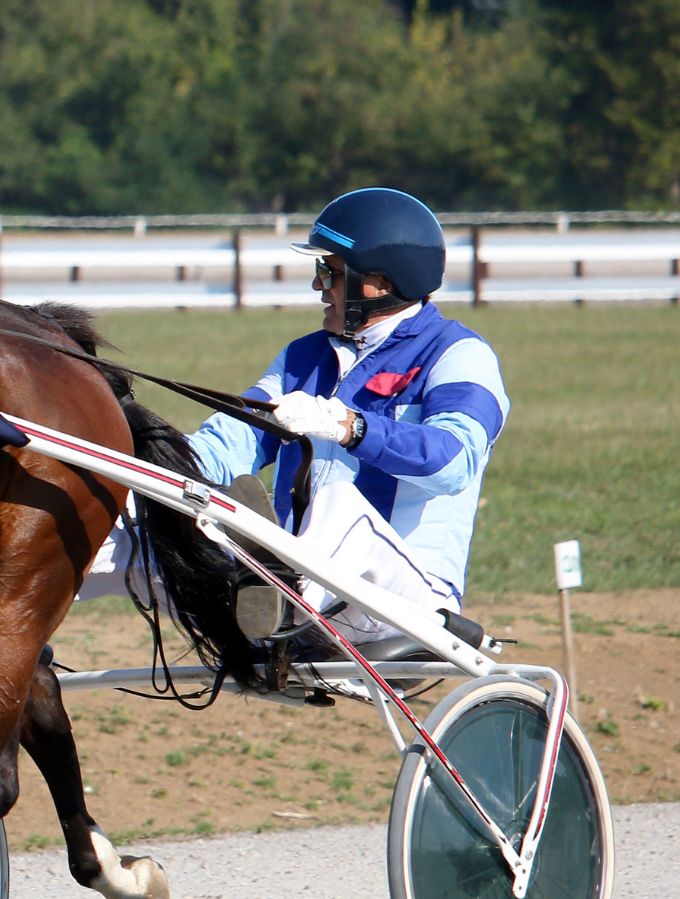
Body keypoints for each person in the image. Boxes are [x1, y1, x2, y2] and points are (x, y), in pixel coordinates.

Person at [80, 188, 509, 646]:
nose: (319, 286)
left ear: (379, 284)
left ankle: (279, 598)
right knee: (129, 522)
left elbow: (454, 463)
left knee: (338, 503)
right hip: (290, 590)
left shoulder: (459, 354)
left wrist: (349, 427)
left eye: (331, 272)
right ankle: (24, 610)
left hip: (404, 604)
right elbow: (226, 446)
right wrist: (130, 467)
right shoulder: (303, 357)